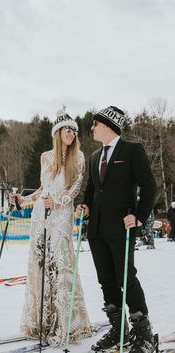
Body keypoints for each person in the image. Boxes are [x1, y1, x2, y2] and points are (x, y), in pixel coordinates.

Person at [76, 106, 157, 353]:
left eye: (95, 124)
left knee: (126, 279)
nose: (91, 128)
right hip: (97, 229)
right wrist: (85, 205)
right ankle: (119, 330)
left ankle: (144, 334)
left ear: (109, 126)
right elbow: (92, 189)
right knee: (107, 281)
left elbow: (150, 185)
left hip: (122, 227)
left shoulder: (132, 150)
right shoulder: (93, 157)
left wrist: (139, 216)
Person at [13, 109, 93, 347]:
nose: (71, 133)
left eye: (74, 130)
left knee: (61, 266)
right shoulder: (46, 157)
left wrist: (56, 202)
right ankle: (42, 321)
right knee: (41, 264)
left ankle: (64, 323)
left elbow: (74, 190)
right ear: (58, 132)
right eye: (67, 129)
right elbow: (42, 188)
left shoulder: (78, 157)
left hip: (61, 215)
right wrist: (23, 200)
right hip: (41, 215)